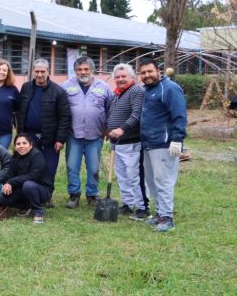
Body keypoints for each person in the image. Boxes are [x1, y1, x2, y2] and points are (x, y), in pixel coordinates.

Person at [138, 58, 187, 233]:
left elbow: (179, 115)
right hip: (149, 143)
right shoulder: (147, 90)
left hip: (164, 144)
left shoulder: (170, 88)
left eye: (150, 72)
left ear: (158, 71)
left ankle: (167, 218)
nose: (146, 75)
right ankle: (159, 214)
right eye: (143, 73)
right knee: (151, 181)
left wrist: (177, 139)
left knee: (163, 181)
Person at [60, 56, 113, 208]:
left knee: (94, 167)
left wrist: (108, 128)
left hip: (95, 135)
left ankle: (92, 195)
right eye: (79, 69)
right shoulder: (66, 86)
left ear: (92, 70)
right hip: (73, 135)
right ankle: (74, 195)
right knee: (72, 166)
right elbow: (60, 109)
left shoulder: (103, 87)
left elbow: (110, 109)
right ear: (75, 71)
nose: (83, 72)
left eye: (86, 69)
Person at [17, 58, 71, 189]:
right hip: (29, 136)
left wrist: (60, 139)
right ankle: (29, 194)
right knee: (29, 166)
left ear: (48, 71)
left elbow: (65, 117)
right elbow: (20, 110)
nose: (39, 75)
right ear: (33, 72)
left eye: (43, 71)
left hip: (50, 138)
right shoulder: (26, 88)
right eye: (37, 71)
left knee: (49, 167)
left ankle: (47, 195)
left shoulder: (58, 91)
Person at [107, 63, 147, 220]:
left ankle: (142, 207)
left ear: (132, 77)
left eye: (124, 76)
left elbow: (137, 114)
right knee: (122, 176)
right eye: (117, 77)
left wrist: (121, 129)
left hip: (131, 142)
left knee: (134, 176)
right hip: (117, 143)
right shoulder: (117, 93)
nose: (120, 79)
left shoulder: (136, 91)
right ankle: (128, 204)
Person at [0, 134, 53, 224]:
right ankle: (25, 206)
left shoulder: (37, 155)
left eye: (24, 143)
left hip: (42, 190)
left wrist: (11, 182)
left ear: (31, 145)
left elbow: (32, 176)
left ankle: (38, 212)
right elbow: (10, 175)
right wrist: (7, 184)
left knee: (28, 185)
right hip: (23, 188)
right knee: (3, 198)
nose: (21, 146)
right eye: (18, 144)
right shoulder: (14, 158)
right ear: (15, 146)